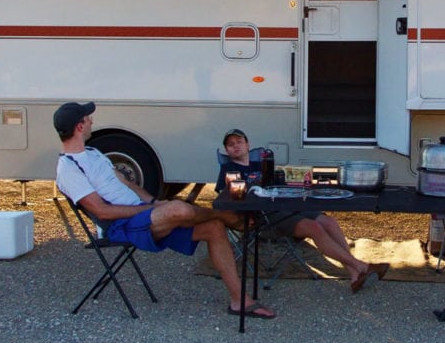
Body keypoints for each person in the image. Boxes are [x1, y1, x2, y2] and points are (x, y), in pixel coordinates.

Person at [55, 102, 275, 320]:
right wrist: (154, 208)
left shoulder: (93, 152)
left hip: (143, 214)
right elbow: (102, 212)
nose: (92, 120)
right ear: (79, 127)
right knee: (179, 208)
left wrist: (154, 202)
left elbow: (127, 183)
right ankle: (226, 216)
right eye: (87, 118)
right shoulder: (69, 168)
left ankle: (240, 301)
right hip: (119, 226)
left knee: (214, 228)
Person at [218, 128, 389, 293]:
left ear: (248, 145)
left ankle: (354, 274)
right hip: (264, 217)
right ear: (227, 150)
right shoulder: (228, 170)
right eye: (230, 144)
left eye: (239, 141)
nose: (235, 146)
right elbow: (222, 198)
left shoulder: (263, 164)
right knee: (314, 228)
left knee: (328, 221)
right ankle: (361, 266)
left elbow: (277, 185)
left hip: (284, 204)